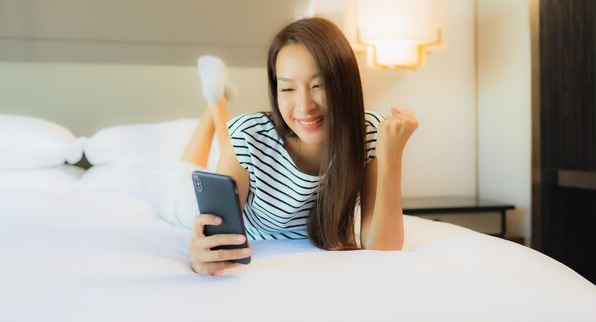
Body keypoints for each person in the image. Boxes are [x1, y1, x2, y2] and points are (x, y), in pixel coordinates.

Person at [162, 17, 418, 276]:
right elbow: (209, 246)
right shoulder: (249, 135)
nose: (305, 106)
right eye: (287, 88)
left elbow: (384, 251)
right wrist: (200, 255)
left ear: (344, 83)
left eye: (319, 85)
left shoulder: (368, 133)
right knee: (186, 180)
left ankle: (217, 100)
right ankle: (215, 103)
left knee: (237, 139)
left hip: (251, 147)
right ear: (275, 91)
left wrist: (391, 155)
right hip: (190, 205)